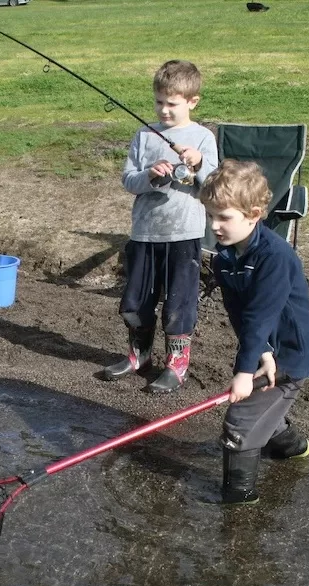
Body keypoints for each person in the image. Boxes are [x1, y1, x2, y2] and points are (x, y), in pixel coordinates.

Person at [198, 159, 309, 504]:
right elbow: (240, 314)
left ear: (253, 214)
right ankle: (294, 448)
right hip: (266, 349)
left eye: (224, 218)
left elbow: (262, 315)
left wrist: (244, 371)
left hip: (290, 355)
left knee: (240, 422)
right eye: (210, 217)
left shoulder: (274, 257)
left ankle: (239, 501)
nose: (215, 226)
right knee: (262, 410)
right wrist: (260, 353)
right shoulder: (224, 258)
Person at [101, 60, 219, 394]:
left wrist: (197, 165)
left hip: (184, 235)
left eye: (172, 103)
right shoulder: (144, 135)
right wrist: (151, 174)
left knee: (179, 303)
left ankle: (176, 365)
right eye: (159, 103)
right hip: (145, 232)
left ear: (192, 101)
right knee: (137, 300)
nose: (164, 110)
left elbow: (211, 185)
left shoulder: (203, 138)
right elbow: (129, 180)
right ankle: (139, 355)